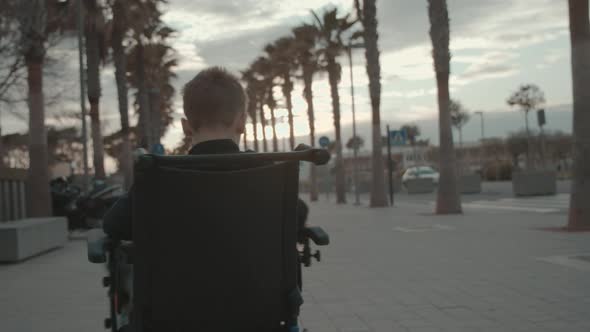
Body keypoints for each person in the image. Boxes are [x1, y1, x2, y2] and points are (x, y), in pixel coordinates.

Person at [103, 67, 308, 240]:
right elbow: (297, 215)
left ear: (186, 127)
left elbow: (114, 225)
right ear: (242, 122)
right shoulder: (264, 173)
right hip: (260, 288)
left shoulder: (159, 174)